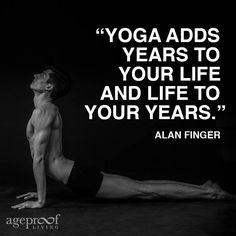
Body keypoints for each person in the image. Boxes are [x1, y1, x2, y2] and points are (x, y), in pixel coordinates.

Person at [12, 66, 235, 210]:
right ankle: (205, 188)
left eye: (41, 76)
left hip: (79, 178)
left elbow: (40, 159)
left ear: (49, 86)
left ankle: (209, 192)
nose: (35, 75)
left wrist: (41, 201)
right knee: (142, 189)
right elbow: (42, 157)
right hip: (76, 174)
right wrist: (41, 190)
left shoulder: (45, 112)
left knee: (144, 191)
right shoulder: (43, 111)